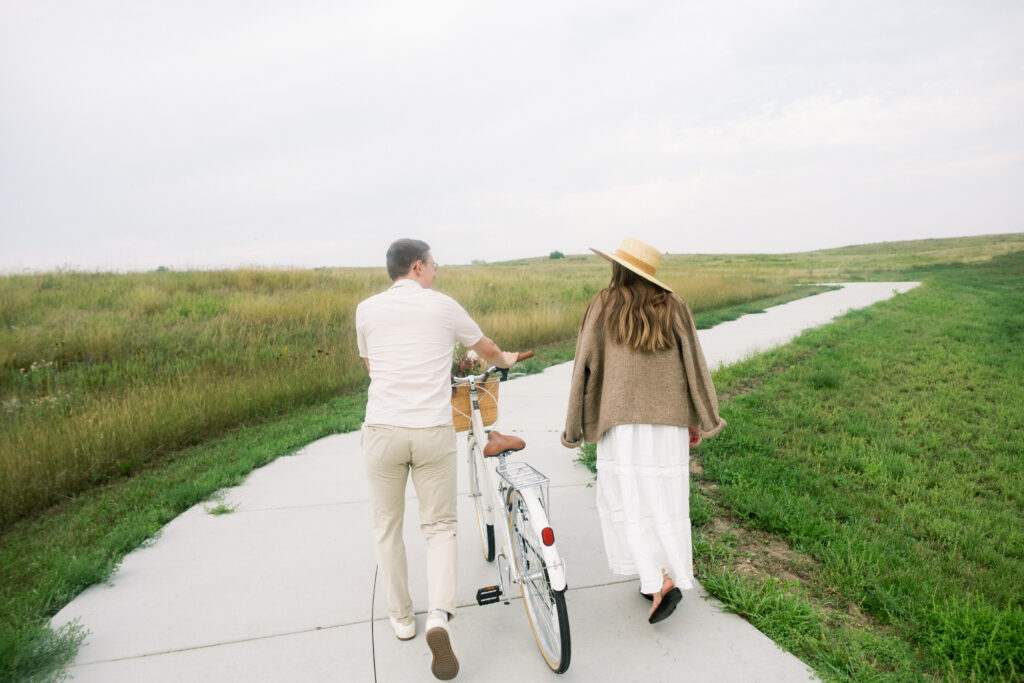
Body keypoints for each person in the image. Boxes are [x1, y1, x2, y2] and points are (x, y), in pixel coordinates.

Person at [356, 238, 518, 681]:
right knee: (440, 527)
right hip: (431, 430)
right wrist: (504, 359)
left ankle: (403, 618)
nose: (436, 268)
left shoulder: (366, 310)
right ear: (417, 266)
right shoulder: (444, 306)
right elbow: (486, 349)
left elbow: (374, 367)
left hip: (383, 430)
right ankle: (439, 618)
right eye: (432, 263)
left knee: (387, 525)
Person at [561, 237, 726, 624]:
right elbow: (695, 367)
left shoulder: (604, 304)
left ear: (618, 267)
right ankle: (660, 578)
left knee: (627, 501)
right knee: (665, 502)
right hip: (667, 426)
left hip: (619, 426)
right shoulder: (674, 305)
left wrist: (573, 428)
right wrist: (701, 417)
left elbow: (582, 364)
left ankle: (656, 581)